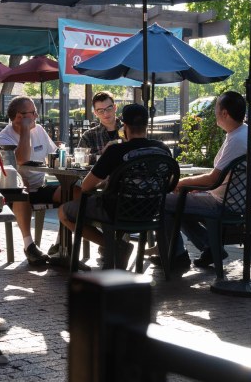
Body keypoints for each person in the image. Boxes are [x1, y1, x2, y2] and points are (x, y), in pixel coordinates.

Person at [59, 103, 170, 266]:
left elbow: (86, 187)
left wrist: (107, 183)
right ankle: (116, 247)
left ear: (124, 126)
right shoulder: (163, 149)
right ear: (147, 125)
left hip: (116, 211)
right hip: (152, 211)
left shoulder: (115, 151)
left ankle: (115, 246)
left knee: (64, 212)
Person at [163, 90, 251, 270]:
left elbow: (212, 178)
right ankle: (210, 247)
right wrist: (194, 187)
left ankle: (176, 256)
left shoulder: (237, 139)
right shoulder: (247, 133)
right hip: (237, 200)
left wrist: (182, 183)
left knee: (165, 201)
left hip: (224, 203)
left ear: (224, 113)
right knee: (178, 203)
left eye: (216, 108)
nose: (214, 112)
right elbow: (219, 177)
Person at [0, 96, 60, 265]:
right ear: (18, 116)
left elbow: (55, 156)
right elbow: (21, 158)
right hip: (12, 193)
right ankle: (29, 245)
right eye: (33, 113)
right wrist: (24, 130)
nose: (36, 116)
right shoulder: (3, 139)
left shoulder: (39, 130)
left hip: (40, 185)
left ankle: (60, 244)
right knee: (21, 192)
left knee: (73, 191)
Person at [77, 91, 123, 155]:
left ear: (115, 107)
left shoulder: (129, 130)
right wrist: (103, 152)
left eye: (109, 108)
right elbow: (80, 159)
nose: (105, 113)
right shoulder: (88, 136)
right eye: (100, 111)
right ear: (95, 112)